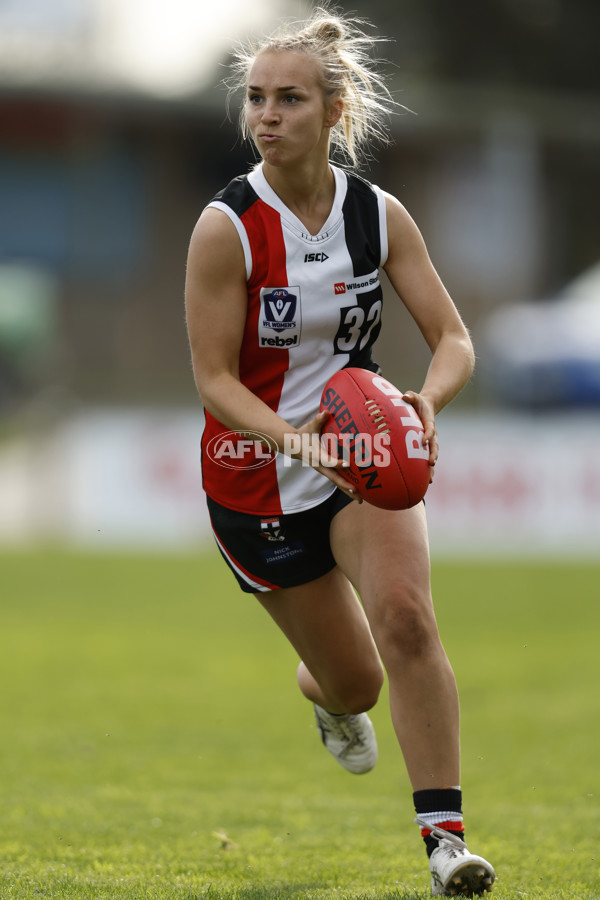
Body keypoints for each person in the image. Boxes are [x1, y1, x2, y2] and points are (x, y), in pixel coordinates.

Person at [185, 7, 496, 896]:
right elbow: (212, 380)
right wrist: (293, 441)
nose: (266, 116)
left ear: (334, 110)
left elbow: (455, 338)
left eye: (288, 99)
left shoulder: (378, 214)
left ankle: (445, 846)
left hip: (361, 459)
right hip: (255, 482)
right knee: (356, 683)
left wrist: (424, 401)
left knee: (407, 620)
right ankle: (325, 689)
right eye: (255, 100)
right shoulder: (228, 227)